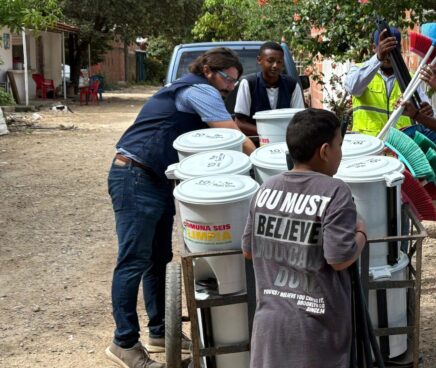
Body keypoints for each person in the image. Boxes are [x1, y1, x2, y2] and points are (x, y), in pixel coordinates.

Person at [105, 47, 256, 368]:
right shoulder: (199, 90)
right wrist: (264, 163)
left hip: (155, 178)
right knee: (133, 260)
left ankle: (159, 332)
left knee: (158, 258)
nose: (231, 87)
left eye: (234, 81)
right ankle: (124, 343)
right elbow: (232, 138)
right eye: (229, 79)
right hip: (133, 174)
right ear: (209, 71)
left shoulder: (194, 87)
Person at [241, 108, 367, 367]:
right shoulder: (335, 191)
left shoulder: (266, 188)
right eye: (339, 145)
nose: (340, 153)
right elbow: (340, 259)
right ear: (324, 151)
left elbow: (248, 251)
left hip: (269, 330)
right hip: (316, 335)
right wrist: (362, 233)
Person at [344, 27, 436, 139]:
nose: (389, 55)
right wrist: (378, 58)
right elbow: (353, 88)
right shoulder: (359, 70)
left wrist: (427, 113)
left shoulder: (410, 79)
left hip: (398, 149)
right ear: (374, 48)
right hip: (367, 146)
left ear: (400, 49)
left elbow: (426, 112)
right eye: (385, 50)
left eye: (393, 50)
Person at [233, 41, 305, 142]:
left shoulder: (292, 85)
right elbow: (239, 122)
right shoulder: (248, 83)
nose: (275, 65)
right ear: (259, 60)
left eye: (279, 62)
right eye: (270, 61)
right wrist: (270, 133)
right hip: (256, 144)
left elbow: (299, 120)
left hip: (285, 143)